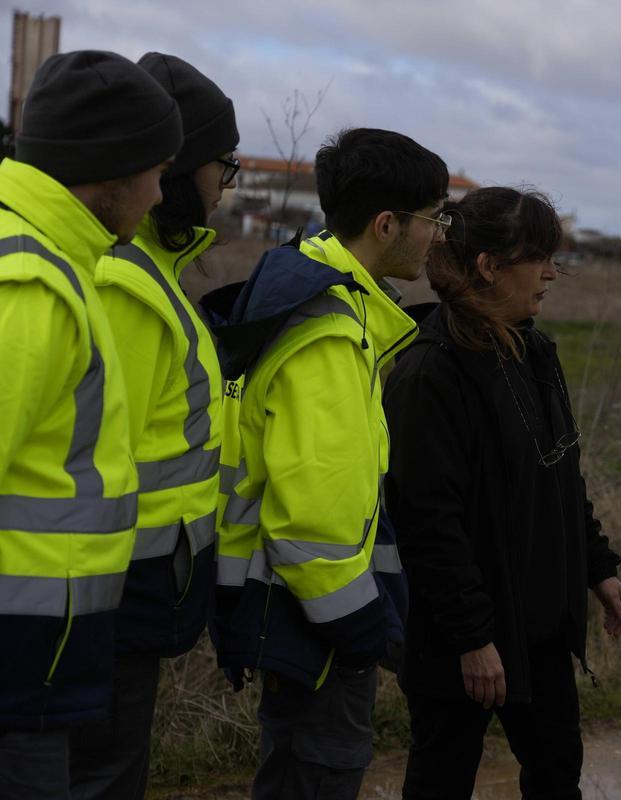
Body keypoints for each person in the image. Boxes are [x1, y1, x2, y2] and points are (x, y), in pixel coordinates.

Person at [205, 127, 449, 799]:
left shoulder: (308, 287)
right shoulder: (330, 334)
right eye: (434, 217)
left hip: (291, 619)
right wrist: (361, 631)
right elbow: (312, 522)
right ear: (386, 224)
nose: (439, 234)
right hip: (314, 631)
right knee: (317, 774)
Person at [384, 187, 621, 799]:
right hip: (460, 639)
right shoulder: (429, 372)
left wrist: (597, 567)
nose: (551, 272)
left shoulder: (534, 349)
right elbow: (427, 524)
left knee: (556, 774)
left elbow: (561, 472)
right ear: (488, 266)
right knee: (441, 779)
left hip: (541, 625)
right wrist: (472, 638)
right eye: (537, 257)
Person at [0, 50, 182, 797]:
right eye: (157, 169)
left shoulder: (63, 266)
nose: (162, 190)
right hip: (14, 668)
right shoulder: (30, 286)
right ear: (111, 172)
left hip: (37, 661)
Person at [66, 53, 239, 799]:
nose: (227, 188)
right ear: (179, 169)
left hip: (117, 591)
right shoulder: (128, 283)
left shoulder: (149, 271)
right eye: (224, 166)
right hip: (107, 595)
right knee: (101, 776)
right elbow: (102, 456)